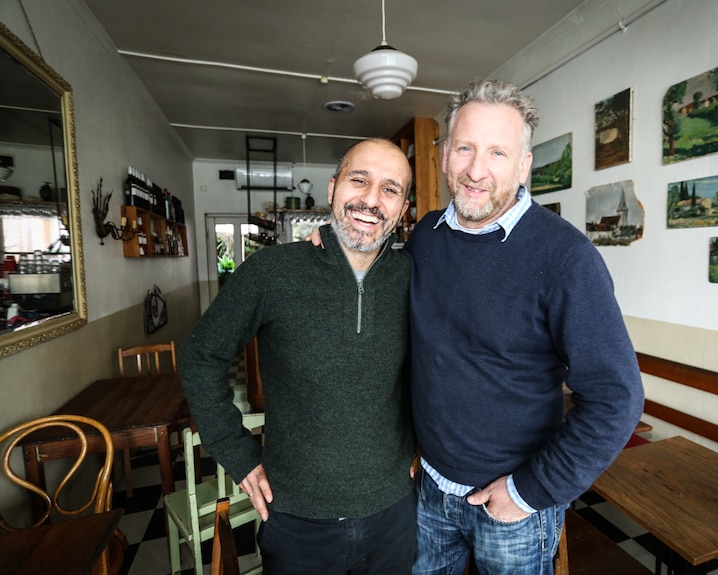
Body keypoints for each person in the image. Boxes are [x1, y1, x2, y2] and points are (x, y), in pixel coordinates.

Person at [405, 79, 645, 574]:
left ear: (523, 165)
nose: (476, 169)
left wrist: (529, 491)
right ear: (446, 154)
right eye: (465, 148)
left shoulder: (567, 258)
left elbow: (617, 398)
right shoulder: (425, 237)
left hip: (512, 509)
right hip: (428, 488)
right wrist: (333, 253)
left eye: (497, 152)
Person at [179, 138, 417, 575]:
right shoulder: (272, 271)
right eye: (358, 180)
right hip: (295, 515)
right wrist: (238, 453)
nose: (370, 200)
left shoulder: (413, 277)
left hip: (395, 512)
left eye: (390, 189)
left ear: (402, 208)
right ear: (332, 189)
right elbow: (200, 356)